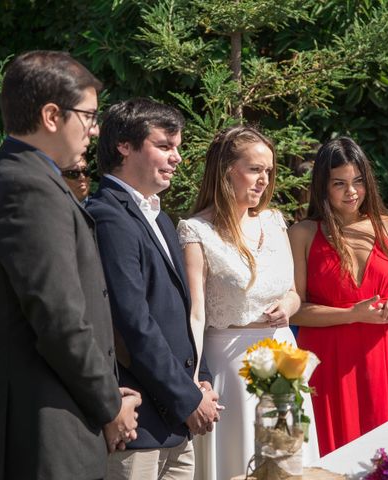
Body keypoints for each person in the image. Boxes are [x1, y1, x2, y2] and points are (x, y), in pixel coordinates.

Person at [0, 50, 141, 479]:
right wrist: (108, 403)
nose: (94, 129)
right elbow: (58, 317)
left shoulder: (20, 177)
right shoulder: (27, 187)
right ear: (50, 115)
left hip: (47, 413)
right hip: (39, 428)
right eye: (88, 116)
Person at [177, 126, 319, 480]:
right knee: (236, 461)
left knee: (288, 462)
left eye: (269, 171)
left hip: (283, 357)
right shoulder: (196, 230)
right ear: (227, 170)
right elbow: (194, 313)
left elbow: (293, 291)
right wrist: (193, 380)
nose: (264, 180)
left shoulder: (274, 221)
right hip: (228, 362)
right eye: (255, 169)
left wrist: (288, 305)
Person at [88, 98, 220, 480]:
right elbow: (133, 322)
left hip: (175, 420)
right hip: (138, 420)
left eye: (177, 147)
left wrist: (201, 377)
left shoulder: (158, 215)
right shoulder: (108, 216)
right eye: (164, 146)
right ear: (124, 146)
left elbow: (180, 309)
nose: (177, 157)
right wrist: (187, 399)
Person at [289, 136, 388, 457]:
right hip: (327, 359)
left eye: (359, 181)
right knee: (333, 455)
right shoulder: (303, 233)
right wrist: (353, 314)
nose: (352, 192)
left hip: (385, 354)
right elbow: (295, 311)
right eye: (340, 184)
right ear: (322, 186)